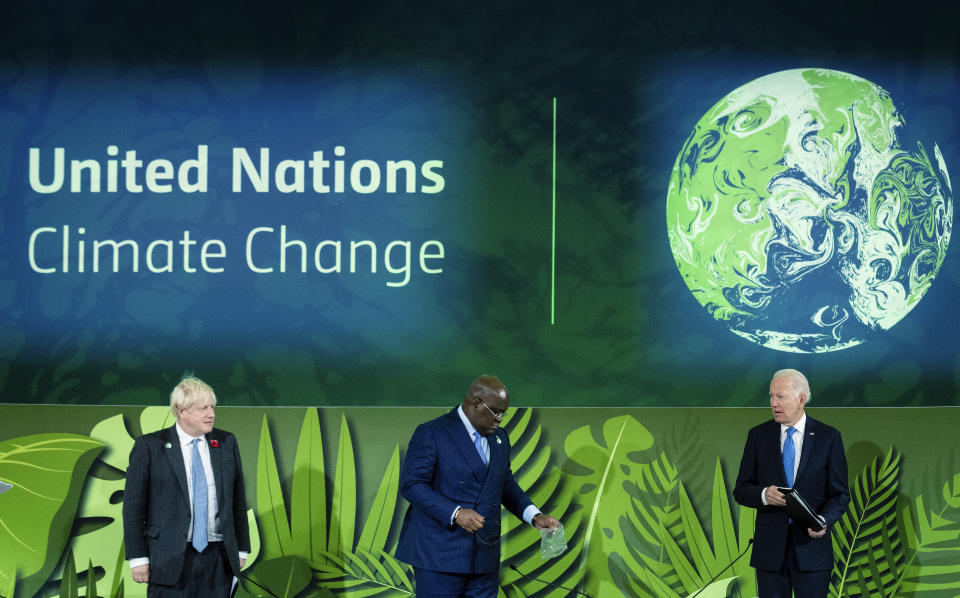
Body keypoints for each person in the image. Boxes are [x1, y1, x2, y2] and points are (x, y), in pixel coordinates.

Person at [396, 375, 560, 597]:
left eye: (504, 413)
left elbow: (504, 484)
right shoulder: (433, 433)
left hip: (485, 557)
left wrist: (534, 516)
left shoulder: (500, 437)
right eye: (496, 412)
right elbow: (412, 484)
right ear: (476, 403)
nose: (500, 419)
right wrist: (455, 513)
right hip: (439, 557)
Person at [122, 376, 250, 597]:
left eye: (212, 407)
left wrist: (241, 548)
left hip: (218, 558)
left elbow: (237, 500)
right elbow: (133, 507)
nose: (211, 414)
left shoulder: (227, 442)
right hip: (168, 558)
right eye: (203, 408)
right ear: (181, 411)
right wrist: (138, 558)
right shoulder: (150, 446)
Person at [733, 369, 850, 598]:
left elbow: (840, 494)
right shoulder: (758, 436)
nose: (773, 403)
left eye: (780, 397)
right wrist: (765, 495)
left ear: (801, 399)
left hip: (812, 553)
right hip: (770, 554)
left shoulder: (828, 437)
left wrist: (823, 521)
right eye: (771, 396)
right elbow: (741, 490)